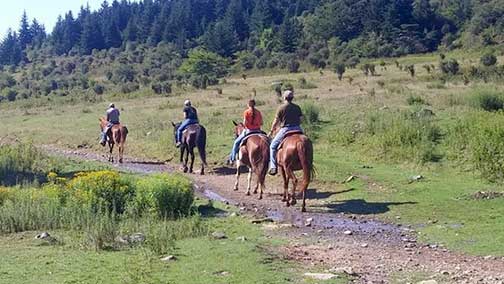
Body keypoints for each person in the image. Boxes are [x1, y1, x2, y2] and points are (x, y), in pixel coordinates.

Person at [268, 90, 303, 176]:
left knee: (272, 146)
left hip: (286, 129)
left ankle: (273, 167)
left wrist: (272, 130)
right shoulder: (297, 107)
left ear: (284, 98)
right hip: (298, 128)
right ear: (292, 98)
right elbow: (301, 119)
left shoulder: (281, 108)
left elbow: (276, 121)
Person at [229, 99, 263, 163]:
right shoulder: (258, 112)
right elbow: (261, 123)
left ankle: (232, 158)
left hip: (249, 131)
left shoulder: (246, 112)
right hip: (258, 131)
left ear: (248, 104)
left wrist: (247, 127)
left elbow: (244, 123)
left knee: (236, 142)